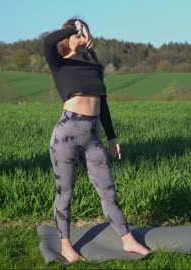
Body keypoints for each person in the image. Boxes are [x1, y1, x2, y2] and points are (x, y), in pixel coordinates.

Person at [43, 18, 151, 263]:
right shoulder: (58, 63)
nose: (81, 38)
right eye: (76, 35)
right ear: (67, 38)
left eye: (84, 34)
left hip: (93, 137)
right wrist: (78, 26)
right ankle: (66, 245)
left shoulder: (94, 66)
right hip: (66, 135)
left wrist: (112, 137)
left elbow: (103, 105)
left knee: (108, 191)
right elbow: (48, 41)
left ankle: (127, 240)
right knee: (66, 193)